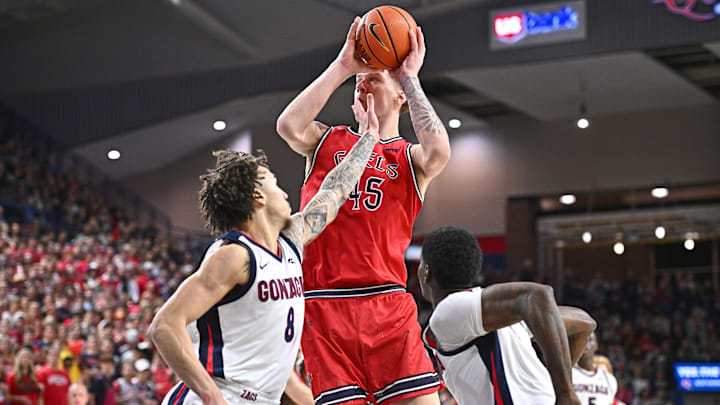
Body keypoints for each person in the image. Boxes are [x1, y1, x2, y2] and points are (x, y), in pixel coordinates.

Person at [150, 95, 381, 405]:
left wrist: (369, 139)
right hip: (223, 396)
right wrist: (211, 396)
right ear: (258, 195)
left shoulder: (290, 241)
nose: (285, 192)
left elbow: (333, 192)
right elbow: (164, 325)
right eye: (275, 183)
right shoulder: (234, 255)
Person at [276, 15, 451, 405]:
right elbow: (288, 125)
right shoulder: (328, 140)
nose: (364, 81)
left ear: (400, 95)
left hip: (387, 303)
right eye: (361, 79)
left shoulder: (409, 158)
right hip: (324, 307)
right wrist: (343, 66)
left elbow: (440, 150)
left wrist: (410, 78)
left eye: (375, 77)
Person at [417, 226, 596, 405]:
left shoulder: (448, 311)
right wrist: (554, 382)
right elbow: (585, 322)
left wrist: (565, 393)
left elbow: (536, 295)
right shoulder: (506, 316)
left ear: (426, 272)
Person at [572, 333, 619, 405]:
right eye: (582, 340)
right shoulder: (568, 374)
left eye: (590, 340)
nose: (586, 343)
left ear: (596, 346)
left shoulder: (609, 379)